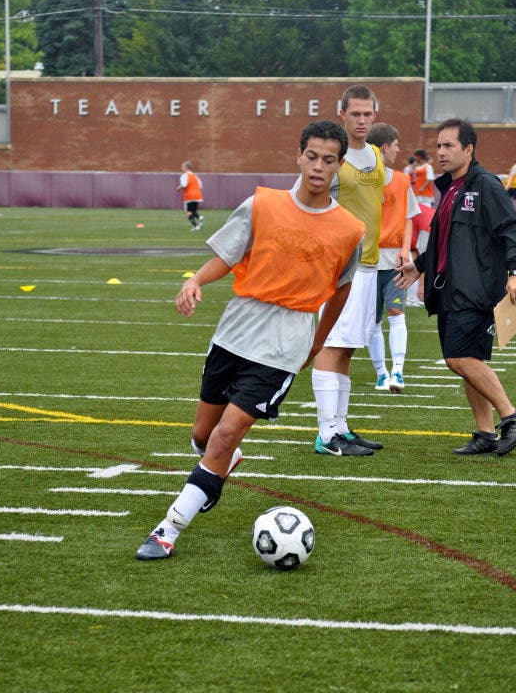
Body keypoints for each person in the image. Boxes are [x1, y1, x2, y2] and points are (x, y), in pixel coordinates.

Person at [136, 120, 365, 560]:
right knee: (204, 436)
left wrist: (315, 345)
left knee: (224, 436)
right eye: (312, 156)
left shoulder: (349, 229)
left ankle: (167, 530)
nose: (319, 167)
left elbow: (341, 289)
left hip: (285, 343)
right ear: (299, 156)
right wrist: (195, 280)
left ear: (339, 166)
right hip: (236, 328)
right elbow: (228, 254)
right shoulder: (262, 204)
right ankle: (221, 467)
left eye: (329, 160)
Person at [395, 119, 516, 456]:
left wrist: (515, 271)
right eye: (438, 146)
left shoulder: (485, 185)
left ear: (468, 149)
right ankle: (485, 434)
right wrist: (420, 265)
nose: (441, 152)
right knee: (466, 359)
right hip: (450, 289)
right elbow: (445, 242)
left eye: (449, 146)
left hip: (476, 290)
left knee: (458, 358)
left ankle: (513, 416)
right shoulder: (450, 188)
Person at [296, 85, 386, 456]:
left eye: (367, 114)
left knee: (346, 348)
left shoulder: (376, 154)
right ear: (342, 114)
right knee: (331, 346)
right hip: (341, 266)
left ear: (374, 116)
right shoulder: (335, 158)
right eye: (355, 114)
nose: (362, 120)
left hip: (369, 264)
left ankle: (341, 427)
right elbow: (303, 199)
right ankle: (325, 434)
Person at [366, 124, 420, 393]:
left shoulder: (401, 180)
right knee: (373, 320)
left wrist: (405, 248)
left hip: (394, 260)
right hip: (366, 263)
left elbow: (410, 216)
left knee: (396, 312)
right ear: (384, 147)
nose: (399, 150)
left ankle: (397, 372)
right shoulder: (361, 180)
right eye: (396, 145)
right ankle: (381, 373)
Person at [177, 161, 204, 231]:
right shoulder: (195, 175)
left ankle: (195, 226)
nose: (181, 168)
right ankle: (200, 217)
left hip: (189, 196)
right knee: (194, 211)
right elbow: (200, 185)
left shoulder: (184, 175)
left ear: (186, 167)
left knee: (188, 212)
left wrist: (178, 188)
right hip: (197, 196)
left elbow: (184, 184)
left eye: (182, 166)